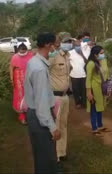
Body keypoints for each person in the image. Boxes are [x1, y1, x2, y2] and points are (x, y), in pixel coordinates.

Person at [24, 32, 60, 174]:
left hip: (34, 114)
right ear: (47, 45)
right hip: (40, 118)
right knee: (46, 158)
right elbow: (41, 102)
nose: (56, 47)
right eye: (54, 44)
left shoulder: (34, 62)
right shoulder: (39, 68)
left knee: (41, 156)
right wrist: (52, 127)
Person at [49, 32, 73, 163]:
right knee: (55, 126)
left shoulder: (67, 56)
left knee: (63, 125)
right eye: (66, 42)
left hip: (65, 96)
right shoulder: (53, 57)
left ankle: (62, 152)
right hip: (55, 97)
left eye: (70, 42)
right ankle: (55, 155)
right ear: (59, 43)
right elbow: (44, 71)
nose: (69, 44)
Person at [86, 45, 110, 136]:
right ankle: (94, 129)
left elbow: (106, 73)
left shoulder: (102, 61)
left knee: (100, 107)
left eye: (103, 53)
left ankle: (100, 125)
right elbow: (88, 79)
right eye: (101, 53)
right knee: (94, 109)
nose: (103, 55)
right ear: (95, 54)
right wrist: (89, 92)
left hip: (101, 88)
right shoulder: (91, 63)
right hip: (93, 89)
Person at [9, 43, 33, 124]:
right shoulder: (15, 57)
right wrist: (12, 79)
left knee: (30, 95)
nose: (22, 53)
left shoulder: (31, 55)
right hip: (18, 78)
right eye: (21, 52)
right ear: (18, 50)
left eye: (24, 52)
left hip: (29, 78)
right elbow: (11, 67)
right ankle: (21, 116)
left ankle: (31, 114)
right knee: (20, 96)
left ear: (26, 50)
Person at [69, 38, 87, 109]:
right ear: (73, 45)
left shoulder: (84, 52)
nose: (78, 47)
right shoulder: (70, 53)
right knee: (76, 90)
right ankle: (77, 103)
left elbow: (87, 61)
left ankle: (83, 102)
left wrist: (81, 54)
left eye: (79, 45)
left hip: (83, 74)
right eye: (76, 45)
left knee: (83, 90)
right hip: (74, 75)